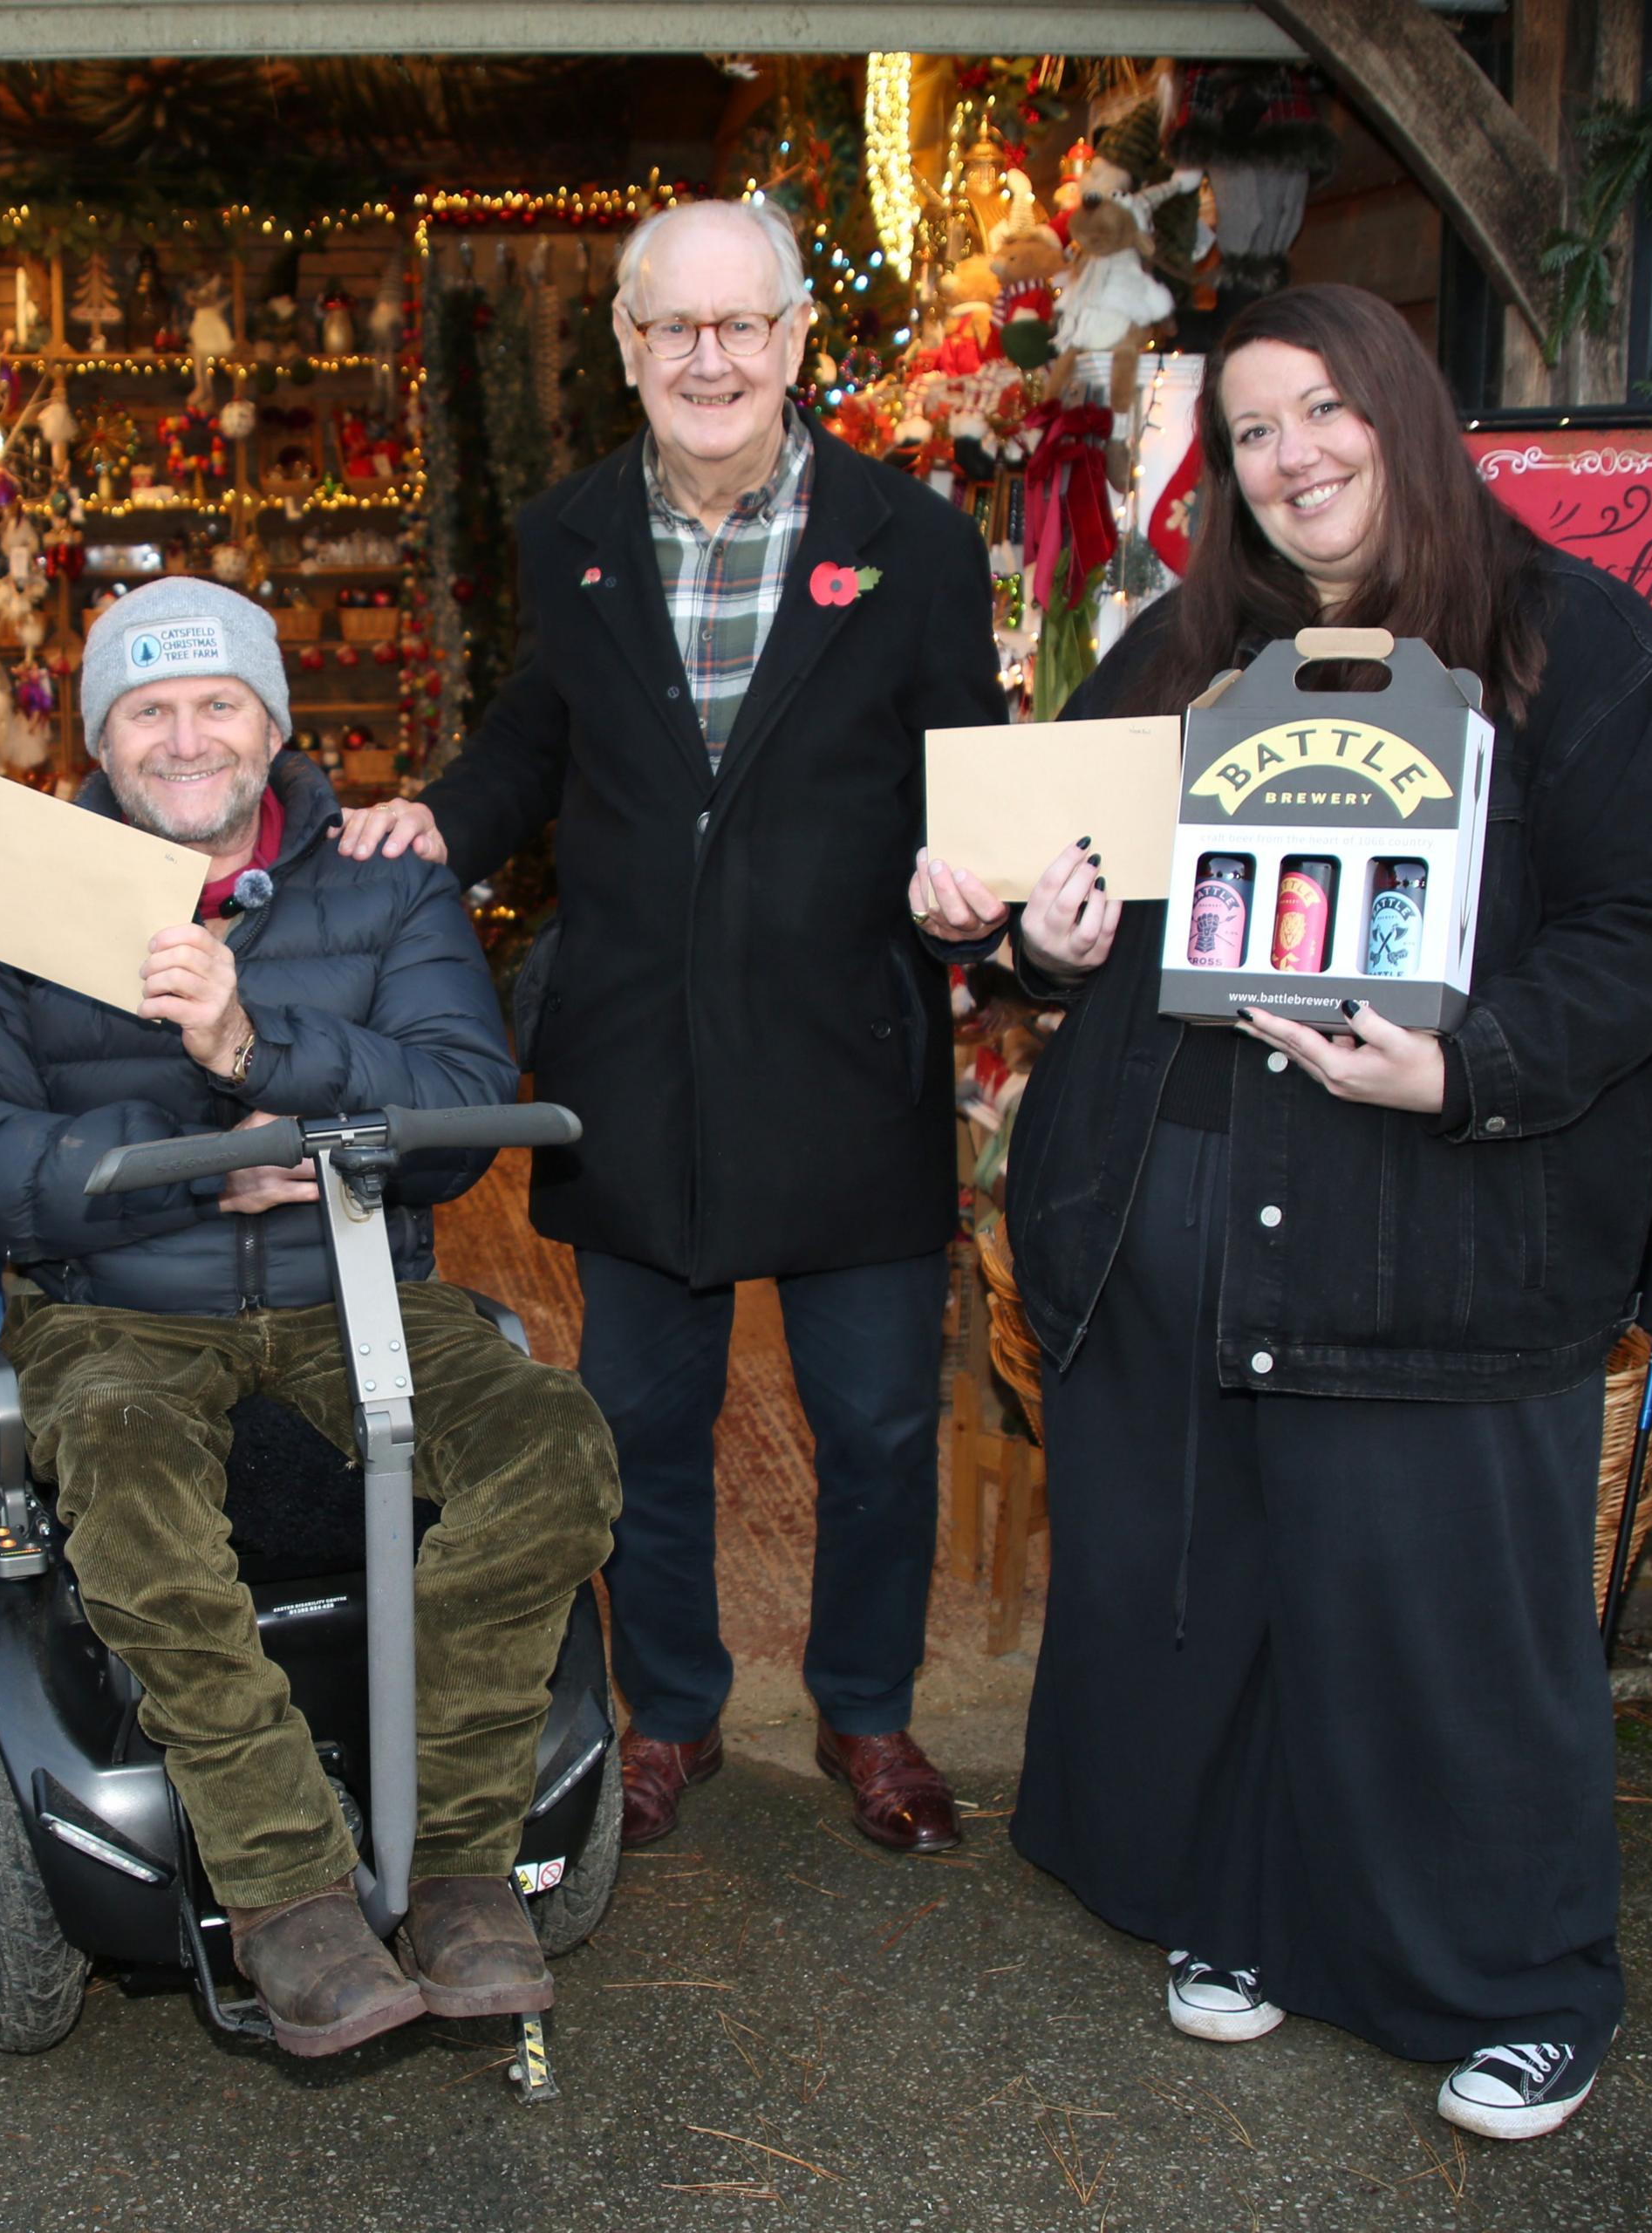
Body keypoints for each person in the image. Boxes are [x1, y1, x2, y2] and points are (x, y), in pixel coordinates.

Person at [962, 283, 1652, 2144]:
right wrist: (1040, 933)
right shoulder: (1180, 648)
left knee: (1443, 1624)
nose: (1296, 456)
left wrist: (1461, 1066)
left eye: (1327, 412)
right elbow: (1057, 895)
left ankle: (1524, 1978)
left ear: (1405, 411)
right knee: (1213, 1593)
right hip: (1189, 1217)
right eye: (1252, 431)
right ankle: (1239, 1910)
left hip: (1435, 1226)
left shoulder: (1574, 645)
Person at [338, 199, 1007, 1856]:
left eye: (742, 326)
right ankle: (676, 1712)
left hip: (850, 1052)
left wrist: (986, 891)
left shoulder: (910, 537)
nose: (709, 358)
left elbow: (972, 776)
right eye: (673, 328)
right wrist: (439, 821)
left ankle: (866, 1710)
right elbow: (530, 738)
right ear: (629, 349)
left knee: (875, 1426)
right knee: (643, 1422)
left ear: (793, 341)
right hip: (639, 1061)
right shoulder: (569, 530)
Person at [0, 579, 621, 2059]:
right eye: (145, 711)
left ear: (273, 721)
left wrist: (253, 1047)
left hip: (359, 1287)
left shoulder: (384, 884)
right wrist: (173, 1188)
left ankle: (464, 1863)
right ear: (102, 740)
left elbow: (467, 1103)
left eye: (216, 700)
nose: (184, 736)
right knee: (133, 1486)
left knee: (553, 1446)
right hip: (125, 1316)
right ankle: (288, 1886)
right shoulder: (26, 900)